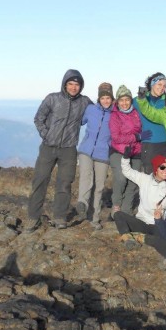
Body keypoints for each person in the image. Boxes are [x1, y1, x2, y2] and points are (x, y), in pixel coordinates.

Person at [26, 68, 92, 231]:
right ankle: (33, 217)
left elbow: (99, 112)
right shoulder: (52, 98)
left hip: (69, 149)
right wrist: (46, 134)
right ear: (64, 84)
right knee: (40, 181)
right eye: (70, 84)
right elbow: (38, 118)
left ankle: (60, 217)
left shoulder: (85, 102)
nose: (73, 87)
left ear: (81, 86)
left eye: (77, 84)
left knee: (64, 183)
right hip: (48, 147)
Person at [113, 147, 166, 249]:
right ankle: (129, 239)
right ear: (156, 168)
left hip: (156, 225)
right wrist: (125, 158)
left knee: (164, 239)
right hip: (141, 222)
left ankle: (141, 238)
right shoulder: (144, 179)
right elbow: (127, 171)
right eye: (162, 167)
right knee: (118, 214)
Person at [75, 82, 114, 230]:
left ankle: (94, 218)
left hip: (103, 153)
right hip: (86, 149)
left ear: (112, 98)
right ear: (98, 98)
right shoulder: (90, 109)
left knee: (99, 187)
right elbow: (79, 121)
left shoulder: (115, 114)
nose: (105, 100)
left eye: (108, 98)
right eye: (103, 97)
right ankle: (82, 203)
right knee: (86, 177)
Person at [109, 85, 151, 217]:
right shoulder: (114, 116)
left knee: (133, 183)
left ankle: (126, 211)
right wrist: (136, 137)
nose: (125, 103)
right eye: (121, 100)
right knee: (121, 179)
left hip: (136, 152)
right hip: (119, 151)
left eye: (127, 99)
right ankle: (116, 205)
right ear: (117, 101)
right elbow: (116, 137)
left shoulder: (136, 113)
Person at [134, 72, 166, 173]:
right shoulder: (139, 99)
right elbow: (123, 113)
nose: (162, 88)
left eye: (164, 86)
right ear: (152, 84)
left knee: (165, 175)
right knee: (149, 176)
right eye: (159, 84)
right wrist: (136, 135)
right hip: (149, 144)